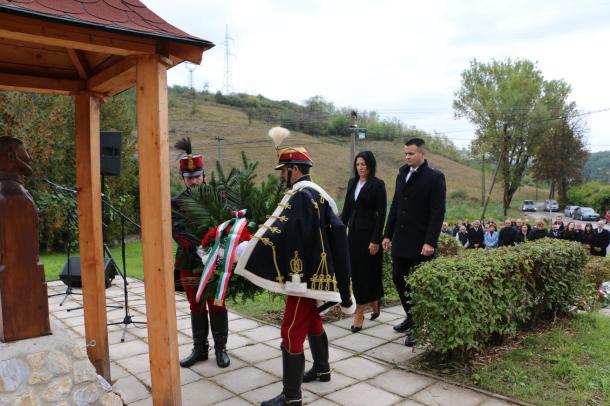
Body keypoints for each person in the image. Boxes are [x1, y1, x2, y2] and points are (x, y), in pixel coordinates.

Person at [236, 127, 354, 406]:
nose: (281, 176)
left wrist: (249, 247)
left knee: (290, 331)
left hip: (304, 278)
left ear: (294, 170)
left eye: (283, 171)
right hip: (317, 274)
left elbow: (285, 232)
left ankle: (291, 397)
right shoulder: (320, 196)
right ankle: (323, 369)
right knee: (311, 321)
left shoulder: (301, 196)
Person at [171, 138, 230, 369]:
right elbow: (177, 231)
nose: (194, 181)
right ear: (182, 179)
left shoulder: (219, 198)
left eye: (197, 176)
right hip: (189, 260)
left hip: (215, 260)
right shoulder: (176, 203)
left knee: (217, 304)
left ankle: (220, 349)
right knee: (195, 305)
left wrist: (213, 249)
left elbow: (226, 225)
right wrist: (200, 247)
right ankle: (199, 349)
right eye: (189, 177)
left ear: (204, 176)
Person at [382, 138, 446, 347]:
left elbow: (437, 213)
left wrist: (430, 242)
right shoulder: (402, 174)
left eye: (411, 153)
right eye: (406, 154)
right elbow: (395, 206)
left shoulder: (435, 177)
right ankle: (411, 317)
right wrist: (387, 234)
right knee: (399, 280)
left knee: (419, 287)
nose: (407, 157)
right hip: (401, 240)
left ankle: (418, 326)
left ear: (422, 154)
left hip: (421, 243)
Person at [340, 151, 386, 332]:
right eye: (358, 165)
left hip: (370, 236)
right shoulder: (352, 183)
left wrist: (375, 240)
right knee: (356, 272)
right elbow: (346, 211)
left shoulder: (377, 185)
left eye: (363, 165)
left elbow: (382, 214)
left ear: (370, 166)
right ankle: (374, 301)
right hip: (354, 236)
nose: (360, 168)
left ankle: (360, 313)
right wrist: (337, 230)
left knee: (367, 272)